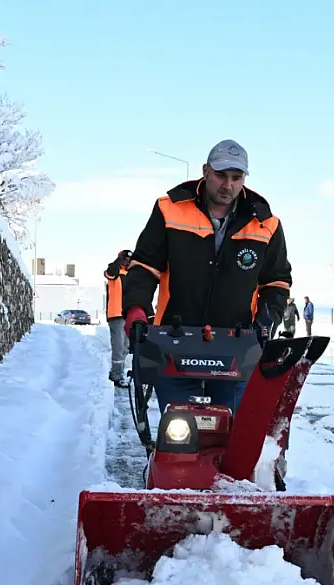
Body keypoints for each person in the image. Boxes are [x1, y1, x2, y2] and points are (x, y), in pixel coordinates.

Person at [121, 139, 292, 414]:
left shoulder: (265, 223)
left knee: (227, 437)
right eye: (221, 175)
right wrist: (136, 309)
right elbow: (144, 266)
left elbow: (276, 282)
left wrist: (266, 320)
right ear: (205, 171)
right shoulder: (170, 209)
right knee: (178, 435)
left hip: (237, 347)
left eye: (237, 178)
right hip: (173, 342)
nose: (228, 185)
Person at [104, 250, 132, 387]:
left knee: (126, 346)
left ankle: (117, 372)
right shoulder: (114, 273)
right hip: (116, 314)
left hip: (128, 314)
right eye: (125, 260)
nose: (127, 262)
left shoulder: (131, 275)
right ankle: (116, 375)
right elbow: (109, 272)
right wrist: (117, 261)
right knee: (119, 346)